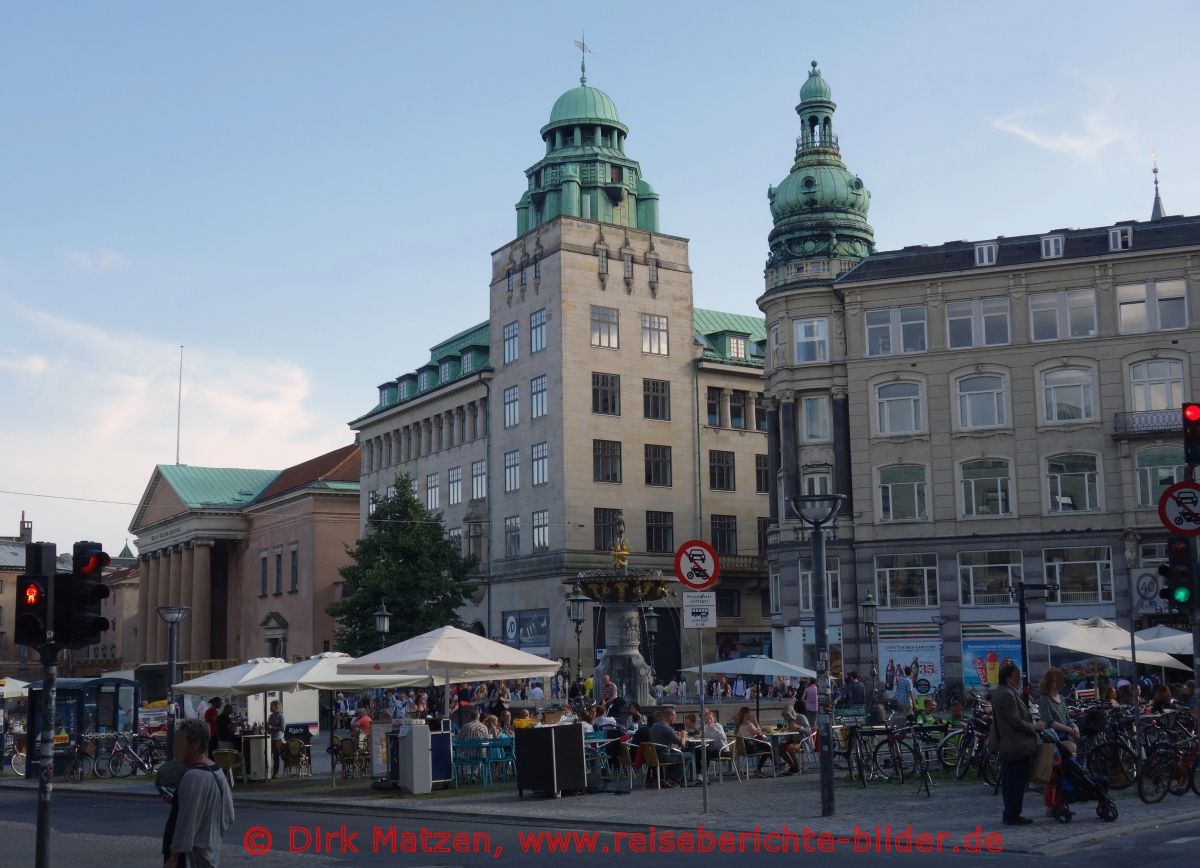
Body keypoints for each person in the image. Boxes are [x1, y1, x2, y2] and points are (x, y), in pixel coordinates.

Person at [163, 717, 235, 867]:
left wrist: (173, 858)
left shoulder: (194, 776)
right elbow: (228, 815)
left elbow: (186, 823)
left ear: (195, 744)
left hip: (191, 859)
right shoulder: (217, 771)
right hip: (210, 854)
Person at [990, 663, 1046, 826]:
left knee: (1011, 781)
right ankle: (1012, 814)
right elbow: (1014, 721)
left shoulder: (1001, 692)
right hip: (1015, 744)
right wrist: (1034, 727)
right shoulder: (1007, 694)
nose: (1019, 680)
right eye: (1017, 677)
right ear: (1009, 678)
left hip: (1009, 743)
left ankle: (1011, 812)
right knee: (1015, 782)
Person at [648, 706, 692, 786]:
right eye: (674, 717)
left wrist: (675, 735)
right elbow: (682, 745)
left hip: (653, 756)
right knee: (689, 755)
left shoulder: (654, 726)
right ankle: (675, 780)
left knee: (676, 753)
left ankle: (670, 777)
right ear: (671, 716)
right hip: (664, 757)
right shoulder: (668, 728)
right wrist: (683, 735)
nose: (675, 719)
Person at [733, 706, 772, 778]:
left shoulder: (738, 725)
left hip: (742, 749)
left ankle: (774, 764)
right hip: (750, 748)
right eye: (749, 713)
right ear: (745, 714)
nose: (750, 714)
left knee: (766, 746)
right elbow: (760, 733)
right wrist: (756, 721)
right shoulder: (748, 725)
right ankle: (760, 768)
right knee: (768, 748)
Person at [266, 700, 286, 779]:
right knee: (268, 755)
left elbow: (283, 728)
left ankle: (275, 773)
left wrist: (273, 728)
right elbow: (268, 725)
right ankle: (268, 772)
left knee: (276, 756)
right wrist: (267, 727)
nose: (270, 707)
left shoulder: (281, 716)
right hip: (270, 737)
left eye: (272, 706)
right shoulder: (270, 716)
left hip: (278, 739)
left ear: (276, 707)